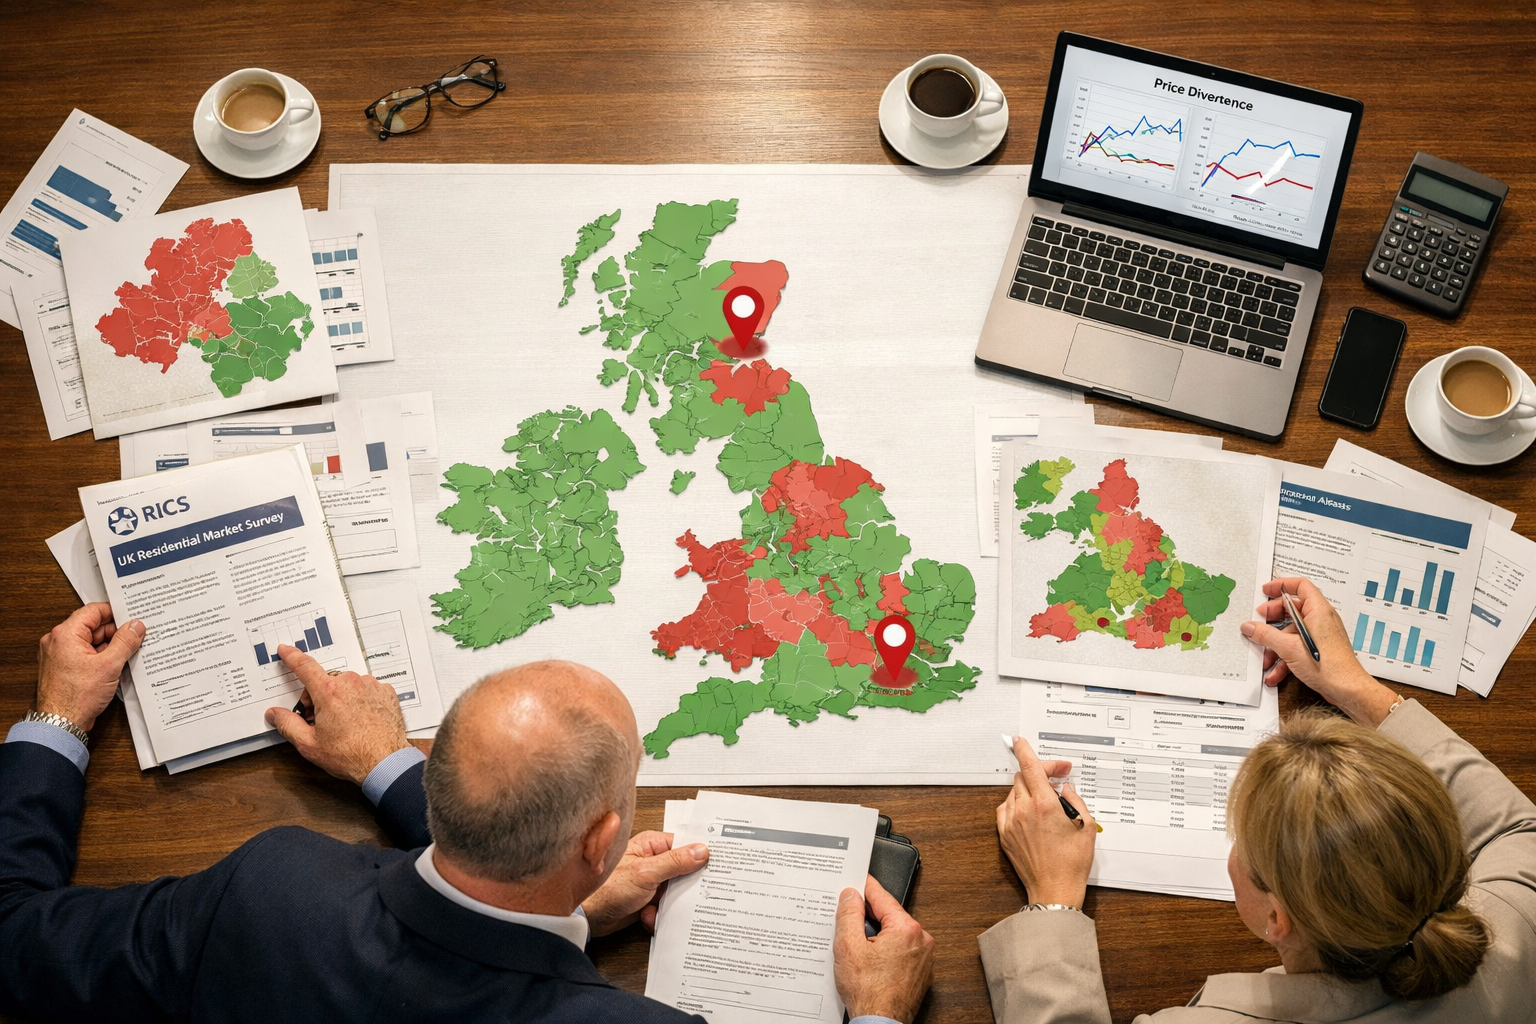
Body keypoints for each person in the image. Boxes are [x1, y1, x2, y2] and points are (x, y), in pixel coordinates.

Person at [0, 602, 934, 1024]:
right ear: (603, 843)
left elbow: (14, 940)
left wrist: (54, 719)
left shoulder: (271, 889)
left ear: (431, 782)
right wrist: (883, 1013)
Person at [982, 577, 1536, 1024]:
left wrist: (1052, 897)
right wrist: (1356, 687)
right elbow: (1516, 833)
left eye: (1242, 839)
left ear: (1277, 917)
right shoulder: (1512, 933)